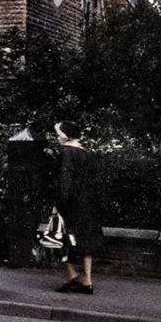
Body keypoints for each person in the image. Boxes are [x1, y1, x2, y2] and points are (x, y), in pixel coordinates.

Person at [52, 121, 104, 294]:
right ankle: (87, 280)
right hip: (88, 203)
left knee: (62, 239)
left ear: (65, 135)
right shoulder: (86, 153)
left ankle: (72, 275)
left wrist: (58, 205)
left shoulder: (67, 153)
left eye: (58, 133)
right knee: (86, 241)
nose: (57, 136)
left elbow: (64, 182)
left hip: (72, 204)